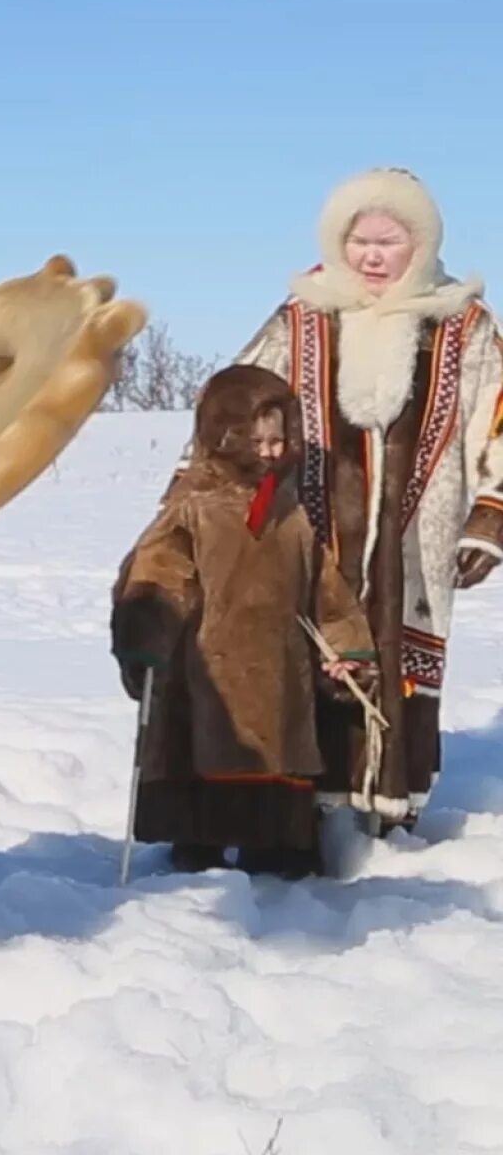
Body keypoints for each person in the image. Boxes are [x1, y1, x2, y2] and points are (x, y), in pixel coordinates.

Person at [232, 169, 503, 832]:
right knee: (309, 645)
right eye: (360, 242)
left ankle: (390, 804)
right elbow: (233, 408)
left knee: (399, 650)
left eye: (389, 241)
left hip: (418, 538)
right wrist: (211, 494)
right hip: (310, 529)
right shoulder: (302, 317)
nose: (373, 257)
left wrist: (491, 516)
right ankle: (305, 807)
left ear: (421, 243)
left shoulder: (461, 324)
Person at [113, 367, 375, 877]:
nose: (272, 451)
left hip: (281, 679)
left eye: (280, 439)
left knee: (274, 759)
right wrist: (145, 636)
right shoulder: (193, 507)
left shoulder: (290, 514)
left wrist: (348, 648)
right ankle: (197, 847)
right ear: (222, 435)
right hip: (210, 674)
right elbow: (158, 576)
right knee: (211, 750)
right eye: (258, 440)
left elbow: (327, 591)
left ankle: (275, 850)